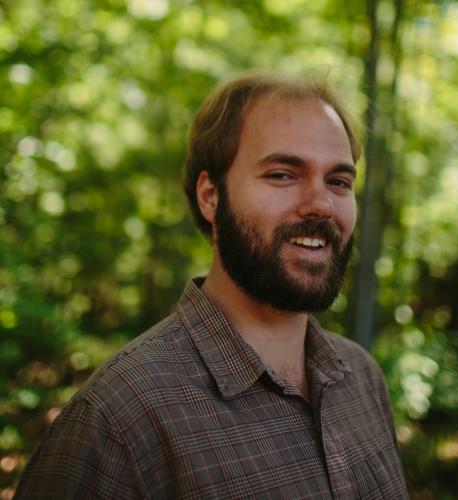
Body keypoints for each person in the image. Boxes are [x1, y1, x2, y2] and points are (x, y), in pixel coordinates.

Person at [15, 70, 408, 499]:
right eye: (282, 174)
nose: (321, 203)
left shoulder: (363, 380)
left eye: (338, 181)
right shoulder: (120, 418)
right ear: (210, 196)